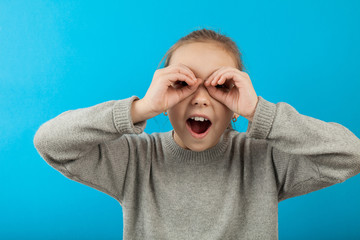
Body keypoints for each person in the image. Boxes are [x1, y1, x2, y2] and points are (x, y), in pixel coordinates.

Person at [33, 28, 360, 240]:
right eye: (182, 84)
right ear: (164, 102)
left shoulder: (265, 158)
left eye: (221, 85)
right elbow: (51, 142)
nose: (201, 97)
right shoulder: (135, 160)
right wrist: (138, 109)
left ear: (236, 107)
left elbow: (351, 154)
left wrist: (261, 112)